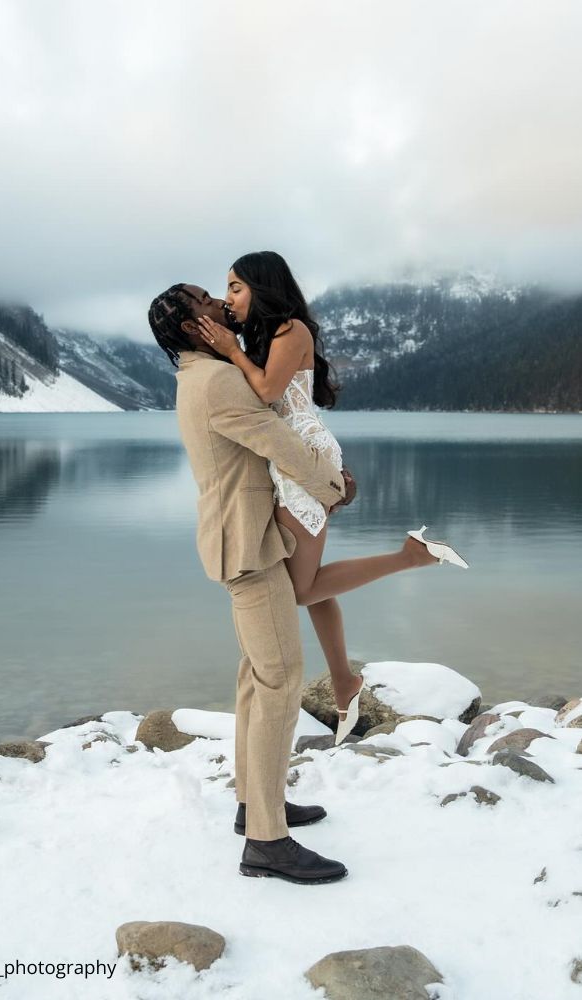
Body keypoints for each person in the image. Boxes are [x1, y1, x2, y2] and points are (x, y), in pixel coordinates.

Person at [195, 251, 469, 744]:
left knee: (300, 589)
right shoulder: (266, 335)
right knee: (308, 582)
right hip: (289, 458)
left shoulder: (290, 329)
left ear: (263, 286)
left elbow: (264, 391)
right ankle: (344, 681)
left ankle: (411, 556)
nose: (229, 296)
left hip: (304, 459)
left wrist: (231, 350)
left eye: (236, 286)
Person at [148, 282, 352, 885]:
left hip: (242, 537)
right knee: (281, 680)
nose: (221, 303)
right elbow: (277, 441)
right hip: (248, 546)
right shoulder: (215, 382)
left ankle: (252, 805)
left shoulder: (201, 375)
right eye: (207, 301)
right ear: (193, 327)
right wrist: (331, 482)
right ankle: (266, 841)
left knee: (255, 676)